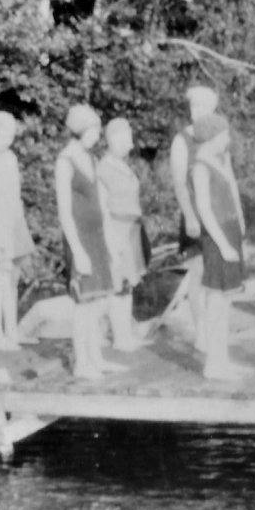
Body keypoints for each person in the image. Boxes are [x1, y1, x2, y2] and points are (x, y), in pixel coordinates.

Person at [55, 104, 122, 380]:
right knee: (83, 305)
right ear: (81, 130)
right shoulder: (65, 161)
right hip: (79, 238)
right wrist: (78, 251)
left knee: (98, 303)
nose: (98, 136)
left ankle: (96, 357)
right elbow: (64, 211)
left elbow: (102, 206)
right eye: (94, 130)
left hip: (96, 236)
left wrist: (111, 244)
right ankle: (82, 362)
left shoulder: (92, 160)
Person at [188, 113, 250, 381]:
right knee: (215, 299)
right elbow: (204, 209)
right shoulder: (200, 166)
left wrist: (240, 230)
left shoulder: (219, 161)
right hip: (216, 237)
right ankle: (213, 364)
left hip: (230, 231)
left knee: (226, 300)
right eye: (224, 135)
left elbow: (231, 196)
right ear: (212, 137)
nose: (228, 139)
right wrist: (223, 245)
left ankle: (223, 359)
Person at [0, 111, 36, 351]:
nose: (8, 141)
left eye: (11, 136)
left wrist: (20, 229)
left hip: (13, 224)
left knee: (12, 281)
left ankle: (12, 332)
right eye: (4, 135)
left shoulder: (11, 157)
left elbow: (15, 194)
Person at [168, 85, 219, 351]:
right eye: (194, 106)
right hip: (195, 214)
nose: (198, 111)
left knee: (217, 276)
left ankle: (214, 329)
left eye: (203, 106)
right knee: (198, 273)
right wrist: (189, 215)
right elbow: (178, 182)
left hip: (218, 213)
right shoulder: (183, 139)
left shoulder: (217, 136)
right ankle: (201, 333)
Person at [97, 117, 149, 352]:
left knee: (128, 284)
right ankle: (118, 337)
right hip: (116, 230)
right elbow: (103, 208)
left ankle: (125, 334)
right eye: (125, 137)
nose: (129, 143)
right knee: (117, 285)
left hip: (131, 230)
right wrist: (111, 241)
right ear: (113, 139)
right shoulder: (103, 168)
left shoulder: (124, 166)